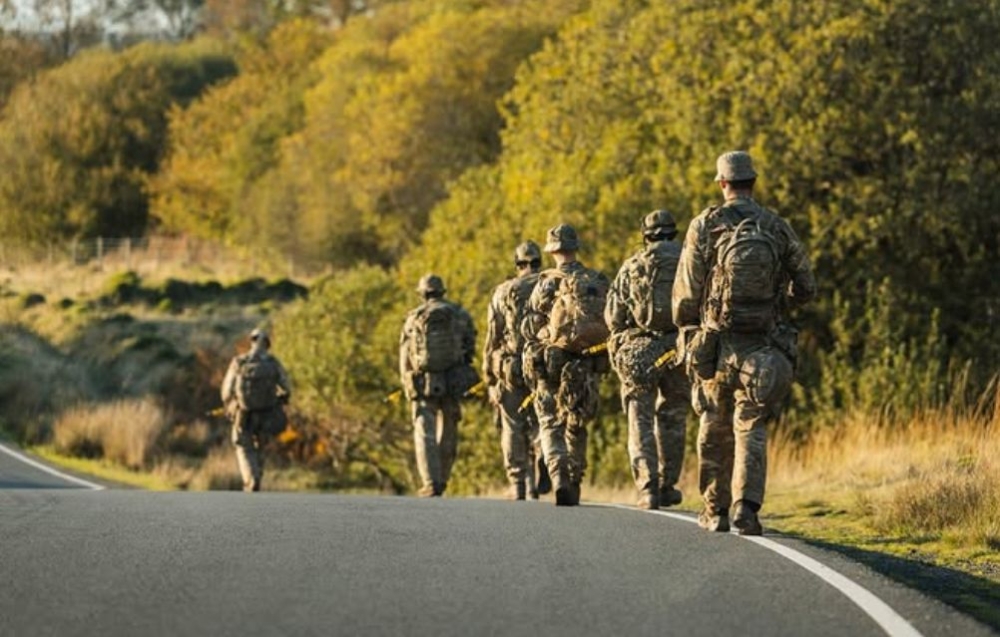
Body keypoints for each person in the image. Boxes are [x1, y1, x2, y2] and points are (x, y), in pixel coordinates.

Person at [673, 151, 816, 534]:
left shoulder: (706, 224)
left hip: (716, 344)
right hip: (762, 346)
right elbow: (807, 286)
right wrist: (779, 300)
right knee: (750, 424)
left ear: (722, 183)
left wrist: (690, 332)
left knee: (713, 425)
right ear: (753, 181)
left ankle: (714, 510)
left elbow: (686, 292)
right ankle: (746, 509)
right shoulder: (774, 225)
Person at [605, 210, 691, 510]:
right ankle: (669, 484)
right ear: (673, 232)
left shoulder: (632, 266)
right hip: (680, 347)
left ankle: (647, 488)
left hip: (641, 351)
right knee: (674, 416)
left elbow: (614, 318)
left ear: (646, 235)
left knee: (639, 418)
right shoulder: (689, 260)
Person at [522, 224, 610, 506]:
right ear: (575, 247)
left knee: (549, 422)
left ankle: (558, 476)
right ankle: (575, 480)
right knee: (577, 422)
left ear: (551, 250)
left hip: (553, 361)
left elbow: (531, 324)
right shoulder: (596, 279)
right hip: (586, 363)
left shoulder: (546, 282)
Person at [482, 240, 551, 500]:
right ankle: (544, 453)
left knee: (512, 424)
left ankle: (518, 484)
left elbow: (493, 337)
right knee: (543, 419)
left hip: (511, 366)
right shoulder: (551, 284)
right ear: (538, 262)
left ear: (517, 264)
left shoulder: (503, 291)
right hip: (544, 363)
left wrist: (489, 376)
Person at [399, 274, 477, 497]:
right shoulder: (460, 315)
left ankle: (430, 481)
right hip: (453, 378)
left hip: (423, 380)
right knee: (450, 427)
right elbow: (469, 346)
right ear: (443, 291)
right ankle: (443, 478)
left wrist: (407, 380)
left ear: (422, 293)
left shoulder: (414, 317)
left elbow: (405, 353)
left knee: (424, 431)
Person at [220, 328, 291, 492]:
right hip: (267, 413)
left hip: (243, 414)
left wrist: (231, 403)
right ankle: (257, 476)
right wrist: (279, 399)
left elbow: (226, 391)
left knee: (243, 446)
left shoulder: (239, 362)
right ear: (268, 344)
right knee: (261, 446)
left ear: (251, 341)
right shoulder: (273, 363)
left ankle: (250, 479)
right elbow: (286, 388)